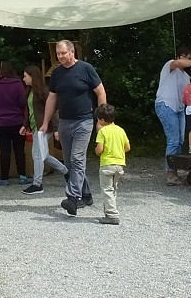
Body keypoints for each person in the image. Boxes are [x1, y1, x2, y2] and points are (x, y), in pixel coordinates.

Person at [41, 40, 106, 217]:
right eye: (58, 54)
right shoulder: (57, 73)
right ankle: (86, 194)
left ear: (72, 52)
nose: (60, 57)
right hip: (64, 121)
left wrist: (101, 119)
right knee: (69, 162)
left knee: (77, 159)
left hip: (84, 120)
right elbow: (52, 99)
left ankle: (73, 197)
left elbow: (100, 92)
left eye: (63, 53)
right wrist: (46, 122)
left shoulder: (86, 68)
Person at [154, 46, 191, 185]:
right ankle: (170, 174)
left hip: (179, 108)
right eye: (184, 56)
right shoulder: (170, 65)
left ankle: (174, 170)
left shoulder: (186, 76)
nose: (186, 60)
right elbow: (179, 63)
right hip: (166, 105)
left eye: (189, 58)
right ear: (178, 57)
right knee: (173, 139)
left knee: (180, 140)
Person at [19, 64, 67, 195]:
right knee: (43, 155)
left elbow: (52, 111)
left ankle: (37, 184)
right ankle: (67, 172)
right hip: (36, 128)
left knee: (38, 156)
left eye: (25, 76)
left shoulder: (44, 91)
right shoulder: (30, 91)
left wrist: (56, 128)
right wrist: (25, 125)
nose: (23, 79)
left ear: (32, 76)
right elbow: (30, 111)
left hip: (44, 128)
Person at [0, 61, 28, 185]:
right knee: (19, 150)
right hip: (17, 121)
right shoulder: (18, 84)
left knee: (4, 151)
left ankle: (4, 178)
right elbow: (23, 102)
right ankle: (22, 176)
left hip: (0, 122)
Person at [94, 104, 130, 225]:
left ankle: (112, 215)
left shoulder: (102, 131)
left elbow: (100, 149)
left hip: (107, 164)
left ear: (102, 120)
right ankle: (109, 211)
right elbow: (127, 147)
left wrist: (96, 151)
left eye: (98, 119)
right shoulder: (121, 130)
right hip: (119, 164)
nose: (98, 122)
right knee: (113, 189)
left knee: (106, 190)